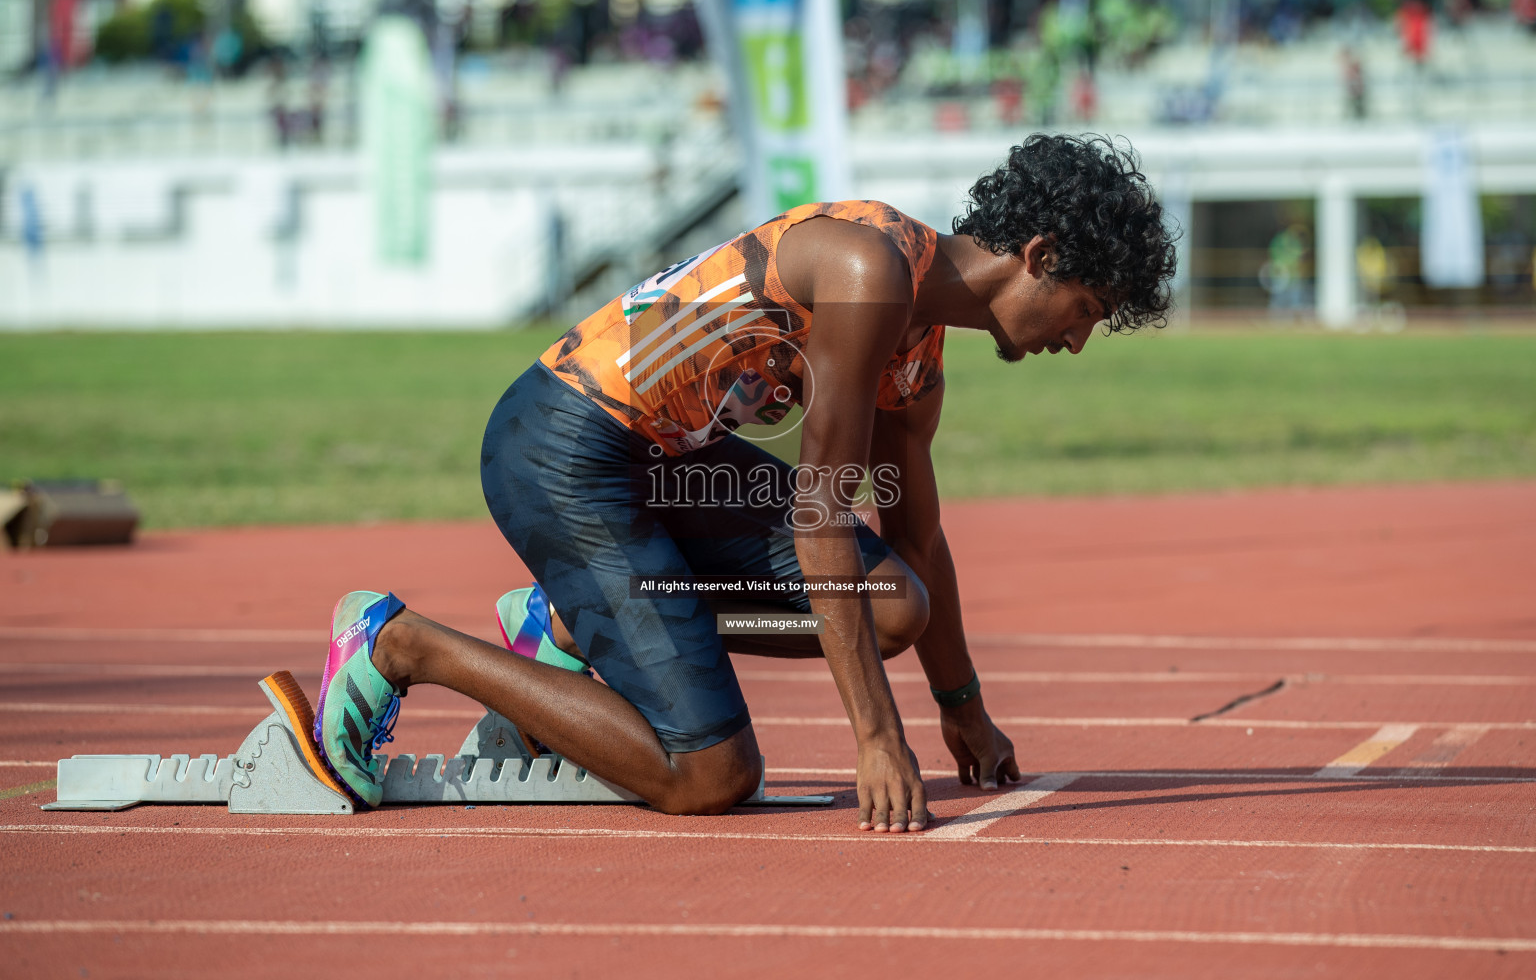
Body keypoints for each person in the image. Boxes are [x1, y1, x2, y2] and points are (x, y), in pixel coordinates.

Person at [312, 133, 1178, 833]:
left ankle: (570, 622)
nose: (1076, 341)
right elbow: (820, 517)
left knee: (895, 605)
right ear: (1040, 255)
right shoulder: (870, 271)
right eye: (1088, 311)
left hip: (667, 464)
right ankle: (399, 643)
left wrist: (963, 708)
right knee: (709, 775)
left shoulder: (918, 361)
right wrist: (877, 738)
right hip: (564, 443)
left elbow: (917, 540)